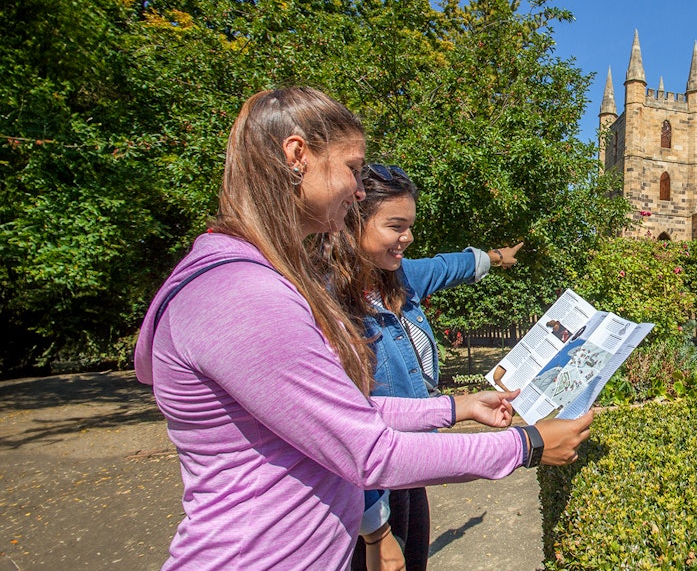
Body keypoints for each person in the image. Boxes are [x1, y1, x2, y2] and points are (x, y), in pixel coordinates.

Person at [133, 87, 593, 570]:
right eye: (352, 168)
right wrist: (528, 445)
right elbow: (368, 453)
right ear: (297, 156)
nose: (357, 191)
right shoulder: (242, 295)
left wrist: (454, 407)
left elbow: (341, 410)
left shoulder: (256, 278)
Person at [329, 163, 522, 570]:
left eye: (410, 225)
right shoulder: (327, 305)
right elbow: (343, 430)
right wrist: (375, 531)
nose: (408, 238)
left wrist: (494, 257)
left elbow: (446, 266)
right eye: (395, 226)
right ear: (351, 223)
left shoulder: (398, 278)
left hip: (412, 462)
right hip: (369, 484)